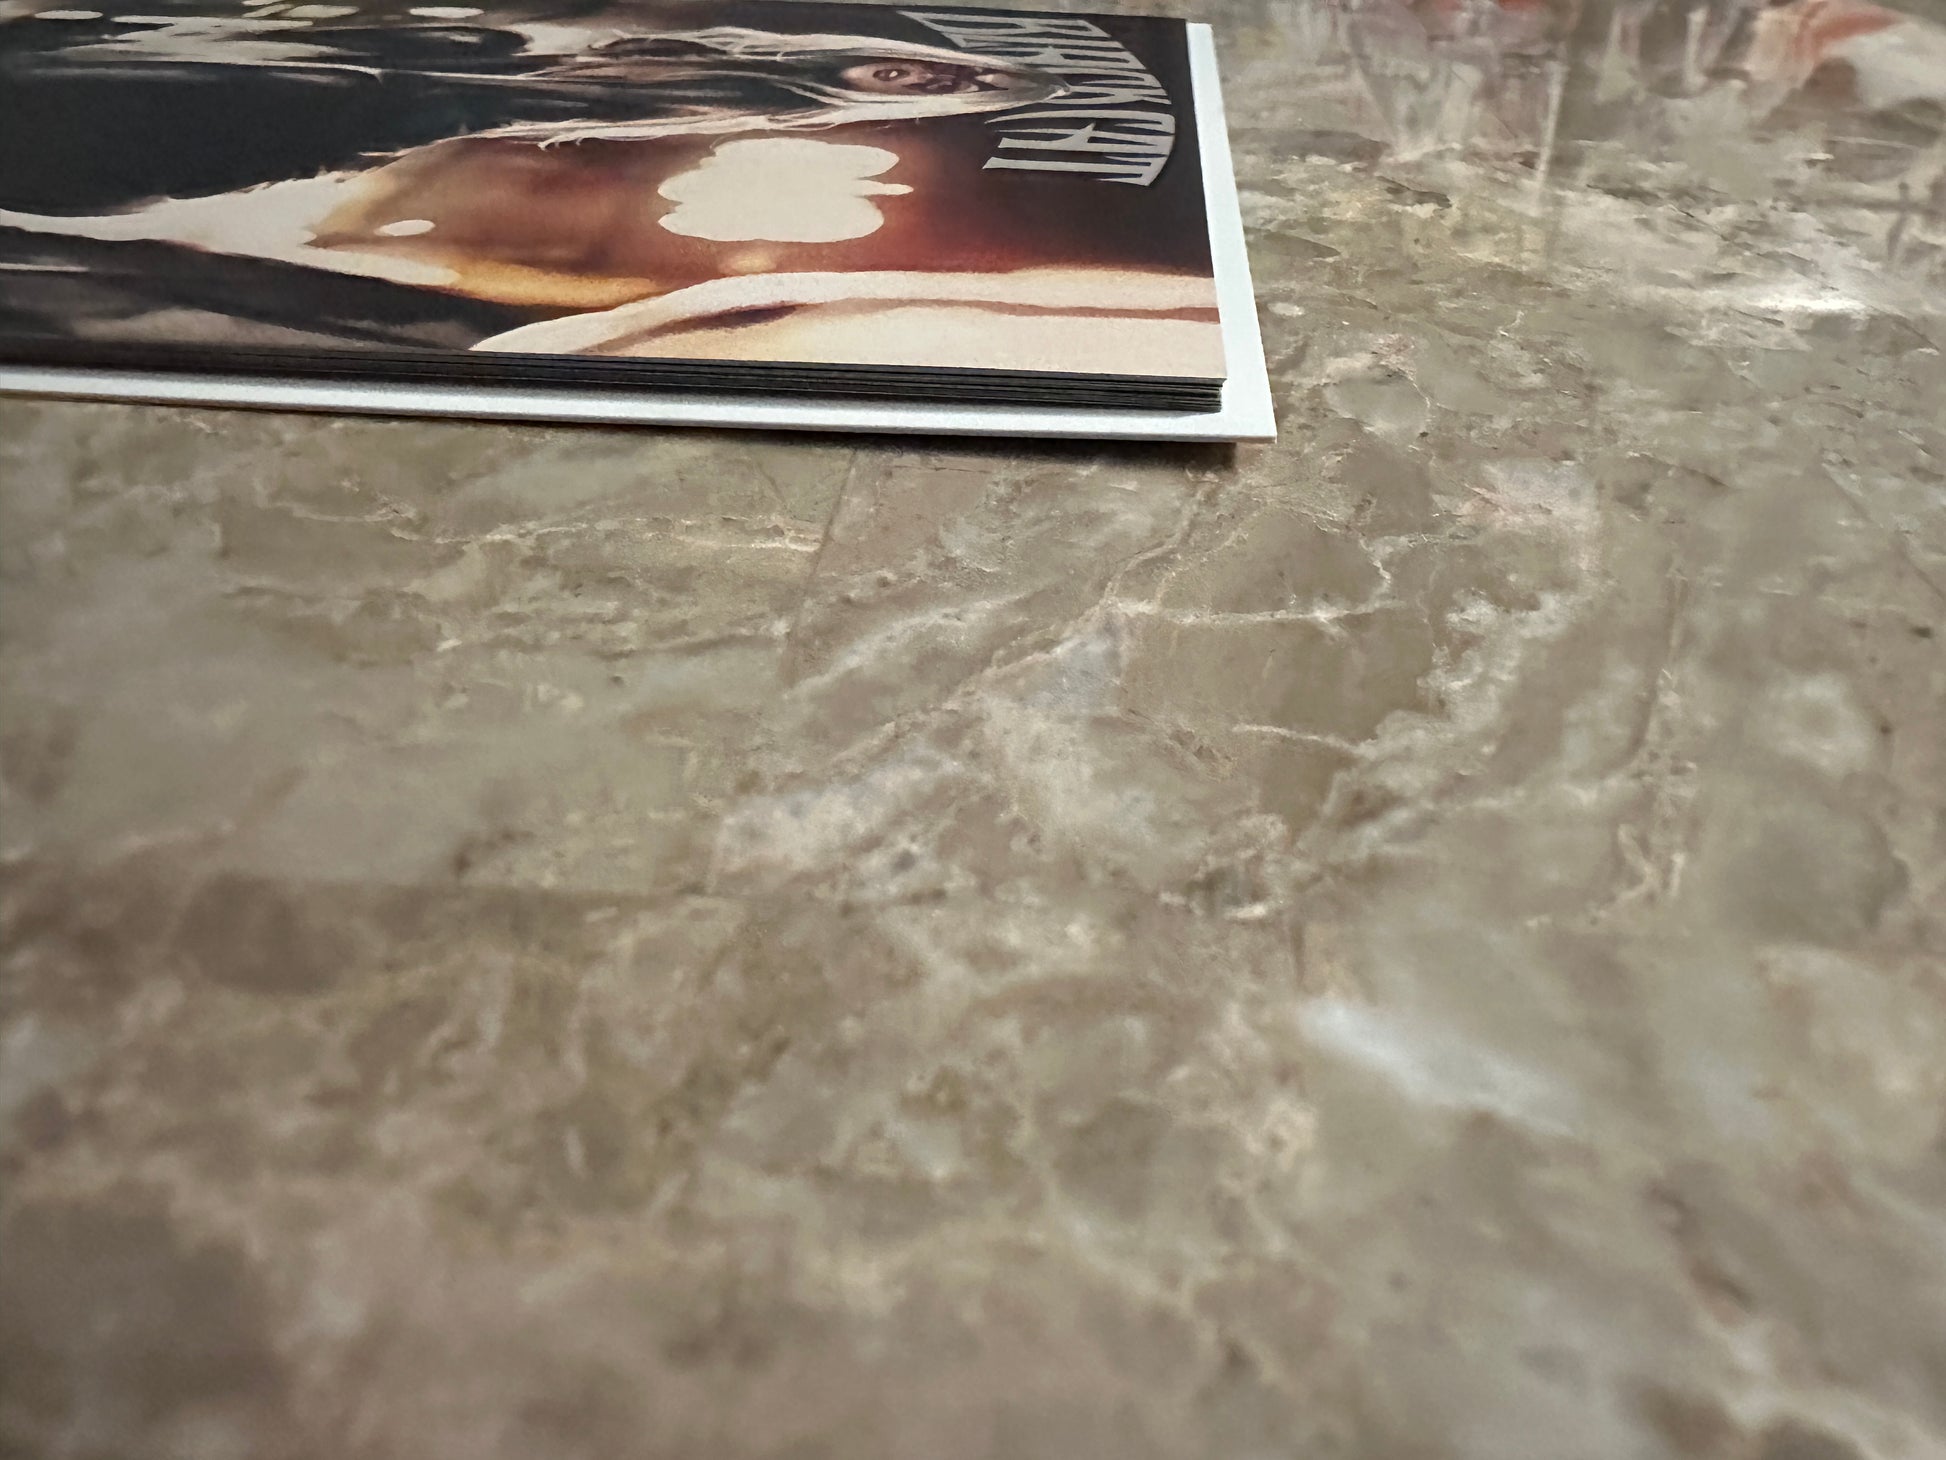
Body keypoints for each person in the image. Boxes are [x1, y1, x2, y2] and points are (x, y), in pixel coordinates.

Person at [0, 15, 1067, 212]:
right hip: (327, 65)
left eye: (955, 94)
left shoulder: (709, 110)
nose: (924, 82)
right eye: (946, 71)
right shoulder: (716, 49)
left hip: (342, 108)